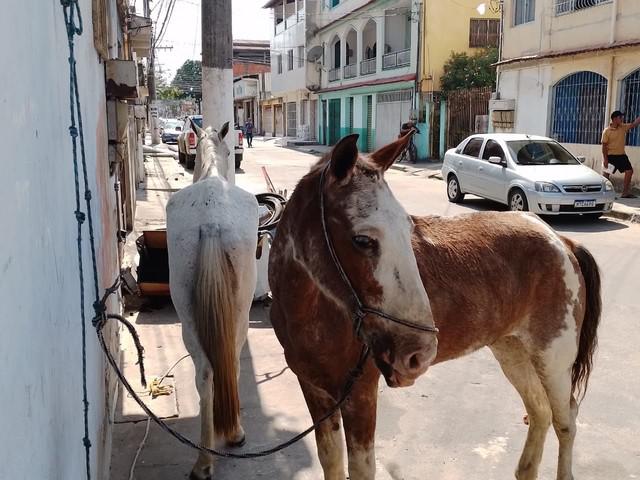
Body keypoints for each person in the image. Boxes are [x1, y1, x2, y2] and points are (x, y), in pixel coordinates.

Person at [601, 110, 640, 198]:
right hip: (610, 156)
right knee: (606, 175)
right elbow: (604, 146)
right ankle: (606, 194)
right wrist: (605, 159)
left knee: (629, 171)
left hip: (621, 155)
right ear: (614, 119)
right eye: (620, 117)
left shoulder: (622, 127)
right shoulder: (607, 131)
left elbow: (634, 124)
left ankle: (625, 193)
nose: (622, 119)